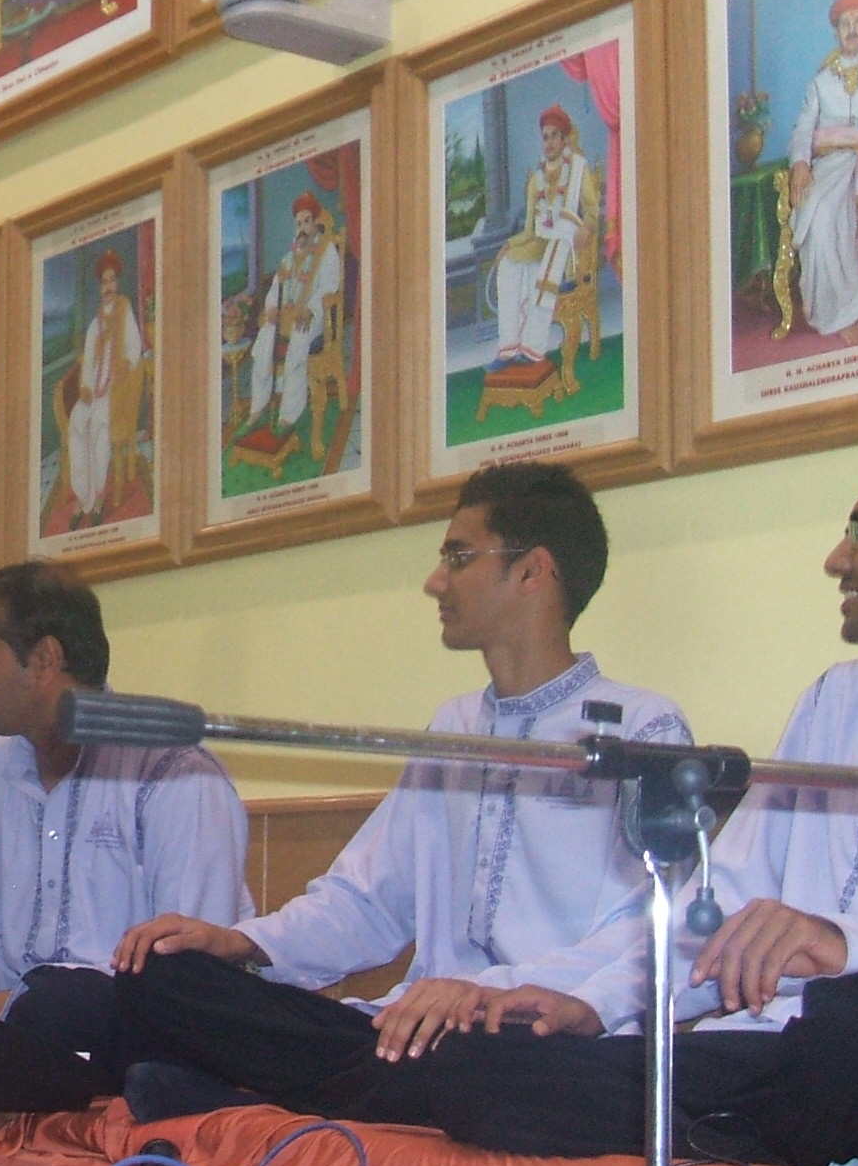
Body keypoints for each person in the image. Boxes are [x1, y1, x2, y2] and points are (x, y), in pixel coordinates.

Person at [112, 462, 691, 1124]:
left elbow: (643, 935)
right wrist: (242, 945)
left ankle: (255, 1100)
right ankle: (292, 1095)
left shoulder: (644, 730)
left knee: (482, 1068)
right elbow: (366, 903)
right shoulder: (454, 728)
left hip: (534, 1035)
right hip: (409, 1031)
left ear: (533, 571)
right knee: (159, 979)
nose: (435, 582)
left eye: (458, 557)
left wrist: (480, 994)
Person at [390, 481, 858, 1164]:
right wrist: (599, 1005)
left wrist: (843, 944)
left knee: (850, 1031)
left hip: (844, 1047)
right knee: (483, 1073)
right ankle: (737, 1135)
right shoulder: (832, 701)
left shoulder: (643, 723)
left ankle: (745, 1134)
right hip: (779, 1052)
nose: (835, 559)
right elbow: (713, 908)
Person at [0, 564, 249, 1087]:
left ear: (44, 660)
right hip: (25, 1024)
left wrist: (6, 1014)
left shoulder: (173, 769)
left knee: (66, 999)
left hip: (136, 1029)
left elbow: (187, 978)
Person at [786, 0, 858, 343]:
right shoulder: (820, 82)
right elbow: (804, 129)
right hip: (833, 164)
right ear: (836, 31)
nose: (852, 29)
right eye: (845, 23)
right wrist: (801, 162)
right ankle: (840, 312)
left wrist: (841, 137)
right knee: (818, 215)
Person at [492, 105, 597, 371]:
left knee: (543, 268)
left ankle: (532, 349)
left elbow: (592, 210)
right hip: (540, 241)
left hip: (565, 243)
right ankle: (508, 348)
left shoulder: (577, 169)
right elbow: (529, 231)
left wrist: (586, 228)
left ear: (564, 140)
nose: (549, 142)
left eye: (554, 135)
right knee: (509, 264)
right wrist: (509, 244)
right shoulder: (536, 178)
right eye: (545, 136)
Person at [245, 194, 341, 439]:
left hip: (313, 316)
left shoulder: (326, 249)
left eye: (307, 221)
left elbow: (330, 285)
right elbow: (276, 288)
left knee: (299, 338)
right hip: (286, 316)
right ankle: (258, 408)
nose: (302, 228)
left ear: (315, 223)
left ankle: (289, 414)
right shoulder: (289, 256)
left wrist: (310, 309)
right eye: (298, 223)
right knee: (265, 339)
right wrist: (271, 310)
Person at [64, 250, 143, 525]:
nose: (108, 286)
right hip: (94, 391)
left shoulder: (125, 310)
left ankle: (97, 495)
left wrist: (123, 365)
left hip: (115, 391)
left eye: (112, 280)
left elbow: (135, 349)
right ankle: (82, 496)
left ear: (117, 283)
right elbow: (87, 366)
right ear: (100, 288)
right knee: (77, 421)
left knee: (98, 426)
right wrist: (85, 389)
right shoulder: (94, 325)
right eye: (104, 281)